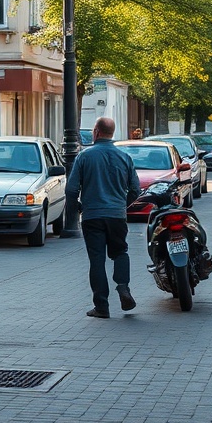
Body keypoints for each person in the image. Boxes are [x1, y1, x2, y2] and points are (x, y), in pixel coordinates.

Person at [65, 116, 141, 319]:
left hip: (92, 216)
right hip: (116, 216)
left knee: (97, 260)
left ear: (96, 132)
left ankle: (101, 306)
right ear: (112, 133)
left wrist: (78, 208)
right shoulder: (124, 157)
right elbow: (136, 189)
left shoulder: (84, 156)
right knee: (120, 252)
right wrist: (122, 205)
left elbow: (71, 189)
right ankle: (123, 286)